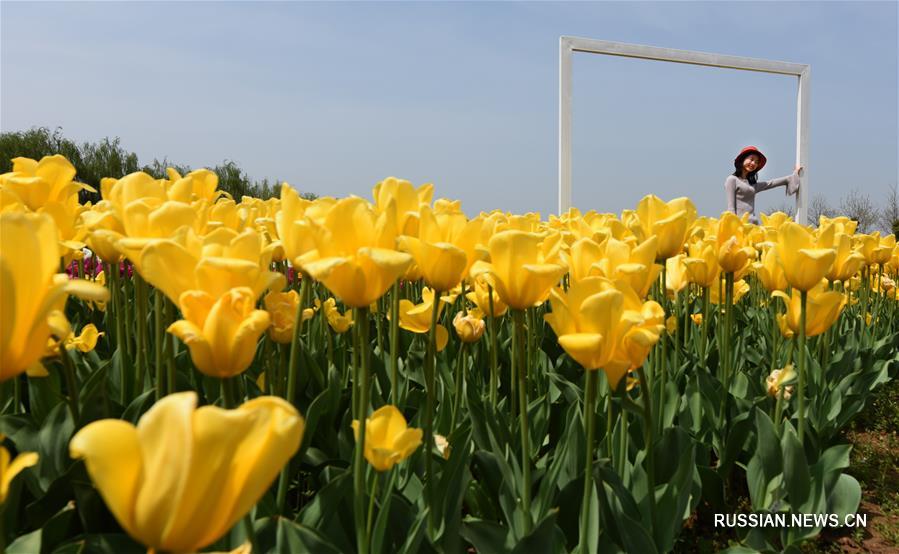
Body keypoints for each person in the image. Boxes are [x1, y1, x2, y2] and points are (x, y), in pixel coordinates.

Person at [725, 146, 801, 224]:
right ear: (742, 159)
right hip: (739, 225)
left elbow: (770, 183)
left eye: (756, 162)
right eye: (751, 159)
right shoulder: (732, 180)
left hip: (753, 225)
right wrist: (733, 226)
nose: (753, 163)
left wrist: (794, 174)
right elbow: (731, 209)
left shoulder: (752, 185)